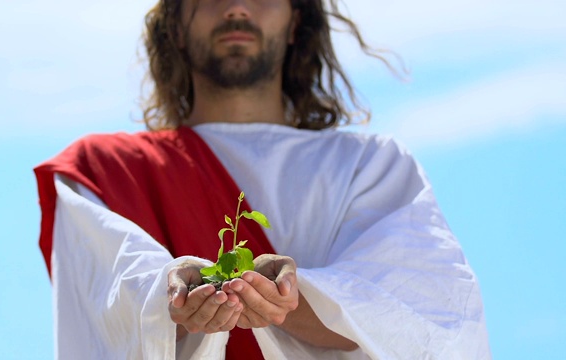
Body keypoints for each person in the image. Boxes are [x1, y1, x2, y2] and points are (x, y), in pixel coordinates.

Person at [34, 0, 491, 359]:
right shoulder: (102, 169)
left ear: (296, 21)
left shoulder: (370, 166)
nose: (237, 7)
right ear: (175, 23)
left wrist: (287, 301)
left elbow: (422, 312)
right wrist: (174, 290)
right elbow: (107, 301)